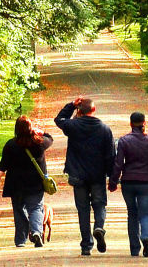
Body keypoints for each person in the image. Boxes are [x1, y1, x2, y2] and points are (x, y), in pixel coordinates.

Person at [55, 98, 116, 256]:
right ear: (94, 110)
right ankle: (99, 227)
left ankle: (86, 245)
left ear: (80, 110)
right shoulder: (104, 129)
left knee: (82, 210)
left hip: (78, 175)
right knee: (99, 204)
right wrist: (112, 177)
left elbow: (59, 119)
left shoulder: (73, 126)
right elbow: (110, 156)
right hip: (97, 175)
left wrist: (70, 105)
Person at [0, 117, 54, 248]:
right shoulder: (39, 143)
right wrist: (41, 132)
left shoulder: (11, 145)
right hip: (35, 183)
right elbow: (50, 139)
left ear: (16, 129)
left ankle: (21, 240)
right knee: (36, 208)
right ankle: (36, 232)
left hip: (16, 184)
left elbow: (3, 164)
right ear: (30, 128)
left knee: (19, 210)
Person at [110, 111, 148, 257]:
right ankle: (146, 237)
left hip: (128, 181)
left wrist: (113, 181)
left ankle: (134, 247)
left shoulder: (124, 141)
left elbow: (118, 163)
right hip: (145, 181)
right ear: (144, 123)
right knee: (145, 213)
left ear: (130, 124)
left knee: (132, 213)